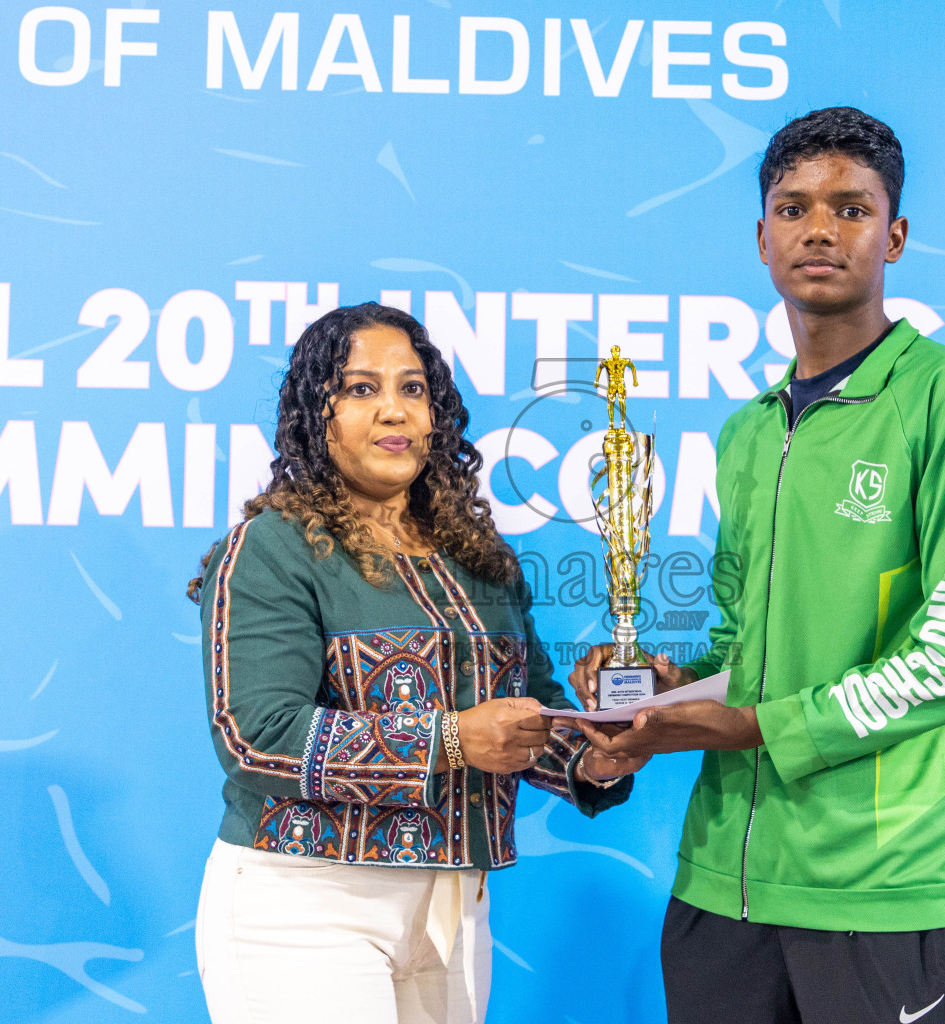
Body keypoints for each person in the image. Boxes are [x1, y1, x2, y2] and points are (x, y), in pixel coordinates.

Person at [569, 107, 945, 1024]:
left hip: (876, 884)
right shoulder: (748, 429)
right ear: (763, 237)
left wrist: (756, 729)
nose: (820, 228)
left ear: (894, 236)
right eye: (795, 206)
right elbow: (744, 643)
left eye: (851, 208)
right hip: (720, 886)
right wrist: (664, 687)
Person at [187, 302, 647, 1024]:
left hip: (454, 907)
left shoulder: (478, 557)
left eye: (413, 388)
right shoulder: (271, 547)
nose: (393, 411)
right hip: (306, 901)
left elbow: (527, 711)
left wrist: (597, 756)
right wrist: (453, 738)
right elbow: (255, 735)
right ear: (319, 414)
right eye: (362, 389)